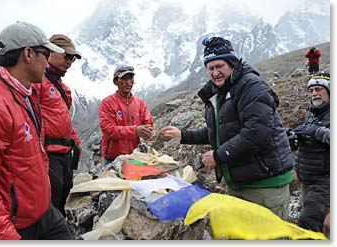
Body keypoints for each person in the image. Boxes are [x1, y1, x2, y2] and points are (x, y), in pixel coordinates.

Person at [161, 37, 293, 220]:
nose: (215, 73)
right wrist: (184, 135)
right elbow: (222, 130)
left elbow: (256, 133)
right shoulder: (219, 91)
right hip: (239, 183)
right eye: (210, 68)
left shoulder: (251, 87)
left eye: (219, 66)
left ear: (231, 63)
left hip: (265, 185)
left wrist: (218, 156)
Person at [0, 21, 71, 239]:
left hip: (42, 214)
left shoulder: (26, 95)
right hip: (13, 226)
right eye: (44, 53)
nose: (48, 61)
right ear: (28, 54)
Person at [33, 34, 82, 217]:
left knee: (64, 194)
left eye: (72, 59)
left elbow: (64, 119)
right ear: (51, 52)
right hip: (48, 154)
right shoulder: (37, 83)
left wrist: (75, 141)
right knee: (50, 199)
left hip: (65, 154)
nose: (69, 62)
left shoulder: (64, 89)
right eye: (66, 56)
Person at [288, 73, 330, 232]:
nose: (314, 94)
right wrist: (294, 138)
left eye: (318, 89)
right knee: (318, 225)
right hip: (308, 182)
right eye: (311, 90)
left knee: (308, 223)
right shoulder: (312, 113)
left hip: (326, 183)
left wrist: (316, 131)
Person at [99, 65, 154, 166]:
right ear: (115, 81)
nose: (128, 82)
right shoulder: (107, 103)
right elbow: (108, 129)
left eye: (131, 78)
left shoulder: (140, 103)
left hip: (134, 156)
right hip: (113, 158)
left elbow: (148, 122)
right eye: (124, 79)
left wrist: (148, 131)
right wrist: (135, 131)